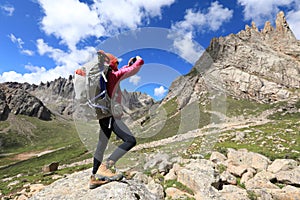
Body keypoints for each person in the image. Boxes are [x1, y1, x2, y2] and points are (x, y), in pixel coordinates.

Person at [89, 52, 144, 189]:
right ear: (112, 63)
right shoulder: (113, 76)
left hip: (102, 115)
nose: (118, 65)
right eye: (117, 63)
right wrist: (137, 59)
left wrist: (126, 65)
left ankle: (93, 177)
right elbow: (137, 66)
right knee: (130, 140)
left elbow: (121, 71)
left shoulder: (105, 77)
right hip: (111, 116)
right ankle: (106, 166)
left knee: (101, 145)